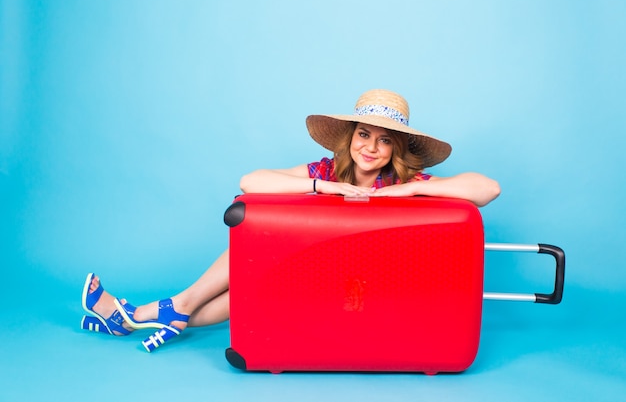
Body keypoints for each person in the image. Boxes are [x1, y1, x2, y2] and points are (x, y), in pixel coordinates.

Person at [80, 89, 500, 352]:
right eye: (364, 135)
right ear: (350, 138)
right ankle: (145, 316)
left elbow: (487, 189)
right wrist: (325, 189)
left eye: (385, 140)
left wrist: (409, 190)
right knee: (246, 275)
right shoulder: (326, 171)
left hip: (366, 289)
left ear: (395, 150)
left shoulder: (405, 180)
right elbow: (250, 181)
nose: (371, 147)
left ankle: (141, 313)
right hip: (309, 272)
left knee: (250, 276)